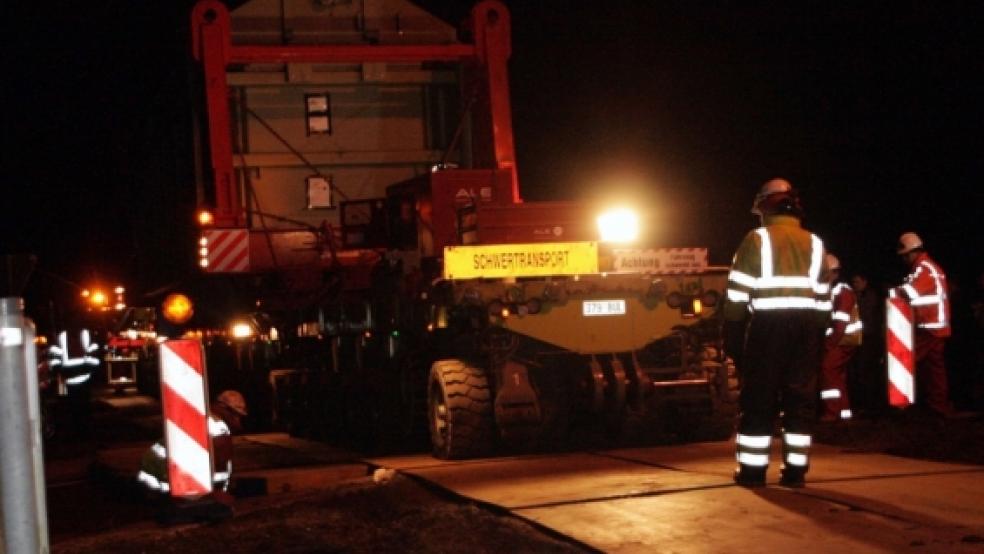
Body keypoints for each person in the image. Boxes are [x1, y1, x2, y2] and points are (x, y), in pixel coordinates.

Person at [723, 178, 831, 488]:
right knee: (800, 399)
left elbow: (737, 295)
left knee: (759, 397)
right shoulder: (815, 243)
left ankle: (753, 473)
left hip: (767, 327)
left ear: (766, 207)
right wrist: (818, 332)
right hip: (807, 328)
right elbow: (824, 295)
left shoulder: (756, 240)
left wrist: (732, 330)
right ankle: (795, 472)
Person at [137, 390, 247, 519]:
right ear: (226, 410)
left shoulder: (201, 417)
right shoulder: (218, 430)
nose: (238, 421)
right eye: (237, 415)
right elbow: (219, 469)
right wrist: (217, 495)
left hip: (150, 479)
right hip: (167, 484)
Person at [889, 232, 953, 417]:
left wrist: (891, 293)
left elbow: (909, 293)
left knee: (906, 362)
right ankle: (937, 406)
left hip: (929, 327)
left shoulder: (924, 268)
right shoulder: (925, 268)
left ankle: (903, 406)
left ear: (910, 253)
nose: (903, 260)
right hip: (933, 327)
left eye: (904, 256)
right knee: (933, 370)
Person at [819, 254, 862, 422]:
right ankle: (844, 413)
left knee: (828, 370)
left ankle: (832, 413)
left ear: (835, 273)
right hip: (842, 340)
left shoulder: (843, 292)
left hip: (844, 340)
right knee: (838, 376)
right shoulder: (835, 291)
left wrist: (828, 345)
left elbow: (840, 324)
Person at [47, 327, 101, 441]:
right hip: (81, 379)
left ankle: (79, 433)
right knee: (81, 409)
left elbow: (54, 359)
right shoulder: (86, 334)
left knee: (76, 409)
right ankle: (82, 433)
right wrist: (88, 369)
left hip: (72, 379)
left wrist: (62, 372)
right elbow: (95, 356)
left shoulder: (61, 336)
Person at [848, 272, 885, 415]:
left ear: (865, 282)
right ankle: (862, 404)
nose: (854, 285)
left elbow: (867, 318)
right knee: (858, 373)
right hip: (858, 339)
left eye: (857, 282)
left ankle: (869, 405)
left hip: (868, 340)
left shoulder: (869, 297)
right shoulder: (856, 296)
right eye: (853, 282)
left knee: (866, 373)